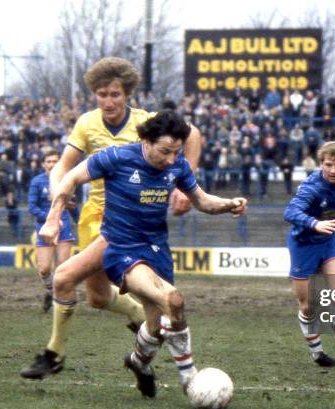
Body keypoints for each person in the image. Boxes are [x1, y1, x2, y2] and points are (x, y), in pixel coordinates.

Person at [39, 111, 247, 397]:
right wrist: (53, 218)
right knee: (173, 299)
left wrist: (228, 204)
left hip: (157, 249)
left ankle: (138, 362)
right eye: (165, 151)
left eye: (176, 152)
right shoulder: (117, 158)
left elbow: (201, 201)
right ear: (145, 141)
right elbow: (71, 178)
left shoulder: (178, 167)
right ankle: (189, 377)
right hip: (121, 248)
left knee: (158, 326)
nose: (171, 159)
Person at [20, 57, 201, 380]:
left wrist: (186, 187)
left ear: (127, 93)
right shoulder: (87, 123)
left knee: (62, 279)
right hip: (92, 218)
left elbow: (193, 135)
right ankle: (141, 322)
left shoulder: (147, 122)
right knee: (98, 298)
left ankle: (54, 354)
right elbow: (63, 166)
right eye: (102, 94)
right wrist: (57, 192)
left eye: (115, 94)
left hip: (125, 222)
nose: (108, 101)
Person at [284, 141, 335, 367]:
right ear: (320, 164)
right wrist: (314, 223)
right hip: (303, 243)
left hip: (329, 240)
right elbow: (290, 211)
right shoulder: (311, 187)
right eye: (328, 165)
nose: (333, 170)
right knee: (307, 306)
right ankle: (318, 354)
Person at [27, 149, 75, 312]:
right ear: (43, 164)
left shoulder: (66, 180)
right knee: (44, 269)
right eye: (49, 161)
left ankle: (61, 302)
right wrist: (49, 217)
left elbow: (72, 205)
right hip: (45, 227)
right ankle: (50, 291)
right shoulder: (37, 182)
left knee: (63, 267)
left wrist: (79, 219)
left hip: (63, 226)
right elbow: (32, 207)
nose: (52, 164)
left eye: (55, 161)